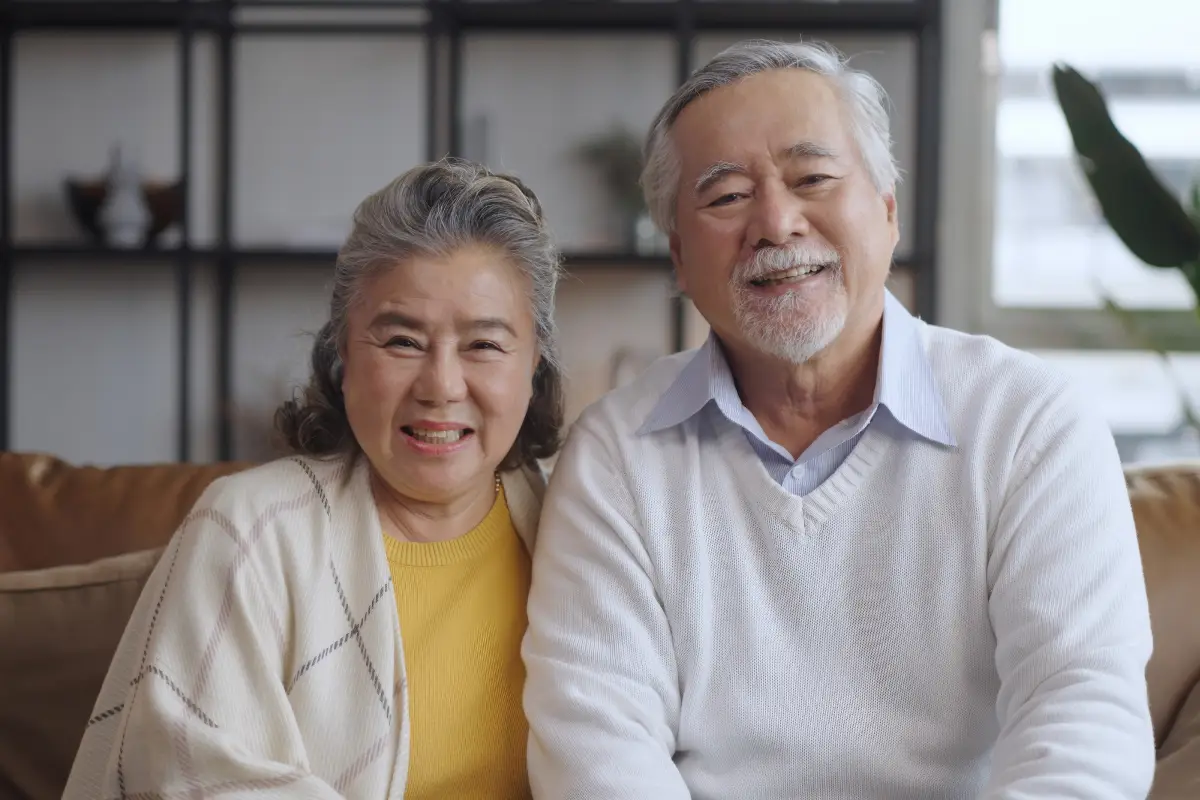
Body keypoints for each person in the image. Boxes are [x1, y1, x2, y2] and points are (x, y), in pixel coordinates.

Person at [522, 38, 1155, 799]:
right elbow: (599, 749)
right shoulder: (618, 453)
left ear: (887, 213)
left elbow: (1082, 720)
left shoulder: (1030, 424)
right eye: (726, 197)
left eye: (813, 177)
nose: (776, 222)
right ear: (681, 260)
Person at [64, 158, 565, 799]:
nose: (441, 386)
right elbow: (193, 779)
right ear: (343, 355)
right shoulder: (250, 527)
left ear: (534, 366)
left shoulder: (581, 525)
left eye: (485, 345)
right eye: (402, 341)